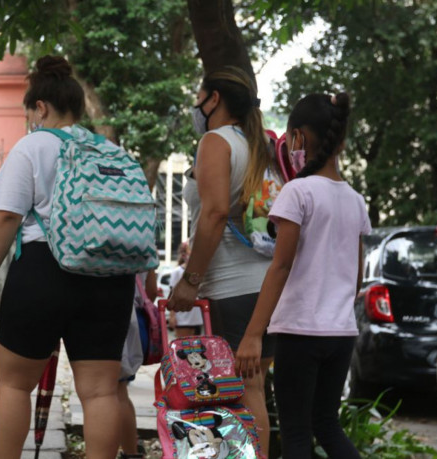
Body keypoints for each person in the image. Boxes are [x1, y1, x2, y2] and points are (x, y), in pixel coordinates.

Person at [0, 55, 136, 459]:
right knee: (100, 392)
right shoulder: (112, 152)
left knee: (14, 385)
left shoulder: (33, 146)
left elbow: (7, 216)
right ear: (78, 108)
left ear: (40, 107)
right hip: (110, 276)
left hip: (44, 270)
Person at [235, 93, 365, 458]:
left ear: (298, 139)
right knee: (327, 425)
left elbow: (280, 265)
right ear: (340, 141)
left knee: (295, 434)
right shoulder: (355, 199)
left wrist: (252, 334)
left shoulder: (297, 192)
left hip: (299, 333)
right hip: (341, 333)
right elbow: (356, 276)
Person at [167, 65, 274, 452]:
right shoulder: (262, 143)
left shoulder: (216, 141)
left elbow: (213, 215)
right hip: (267, 285)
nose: (197, 104)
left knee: (243, 393)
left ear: (214, 99)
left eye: (200, 95)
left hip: (232, 287)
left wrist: (189, 281)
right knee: (254, 389)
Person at [118, 271, 157, 459]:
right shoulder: (144, 240)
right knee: (119, 392)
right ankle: (131, 452)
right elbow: (151, 291)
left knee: (105, 393)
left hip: (106, 314)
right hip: (134, 320)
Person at [169, 242, 203, 337]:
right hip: (182, 319)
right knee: (183, 348)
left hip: (197, 319)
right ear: (184, 255)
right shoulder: (177, 272)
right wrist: (172, 316)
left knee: (197, 350)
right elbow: (172, 295)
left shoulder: (199, 272)